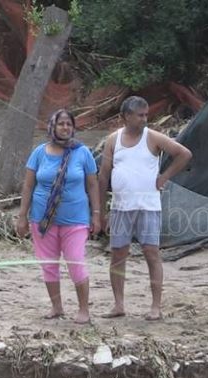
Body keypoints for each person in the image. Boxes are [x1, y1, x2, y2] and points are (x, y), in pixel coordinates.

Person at [99, 96, 192, 321]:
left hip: (148, 206)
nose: (144, 119)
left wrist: (164, 176)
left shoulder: (153, 137)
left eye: (145, 115)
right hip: (121, 207)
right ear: (126, 117)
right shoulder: (114, 140)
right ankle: (119, 304)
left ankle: (155, 306)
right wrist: (101, 210)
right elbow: (103, 175)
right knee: (118, 254)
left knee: (151, 253)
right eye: (139, 115)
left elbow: (184, 154)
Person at [15, 109, 101, 324]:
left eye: (68, 124)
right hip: (43, 220)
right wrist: (22, 216)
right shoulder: (39, 153)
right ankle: (57, 307)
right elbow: (28, 185)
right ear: (52, 127)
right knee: (49, 264)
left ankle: (83, 310)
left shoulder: (82, 153)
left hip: (76, 219)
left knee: (76, 262)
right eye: (61, 124)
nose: (65, 128)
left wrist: (97, 214)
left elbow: (92, 184)